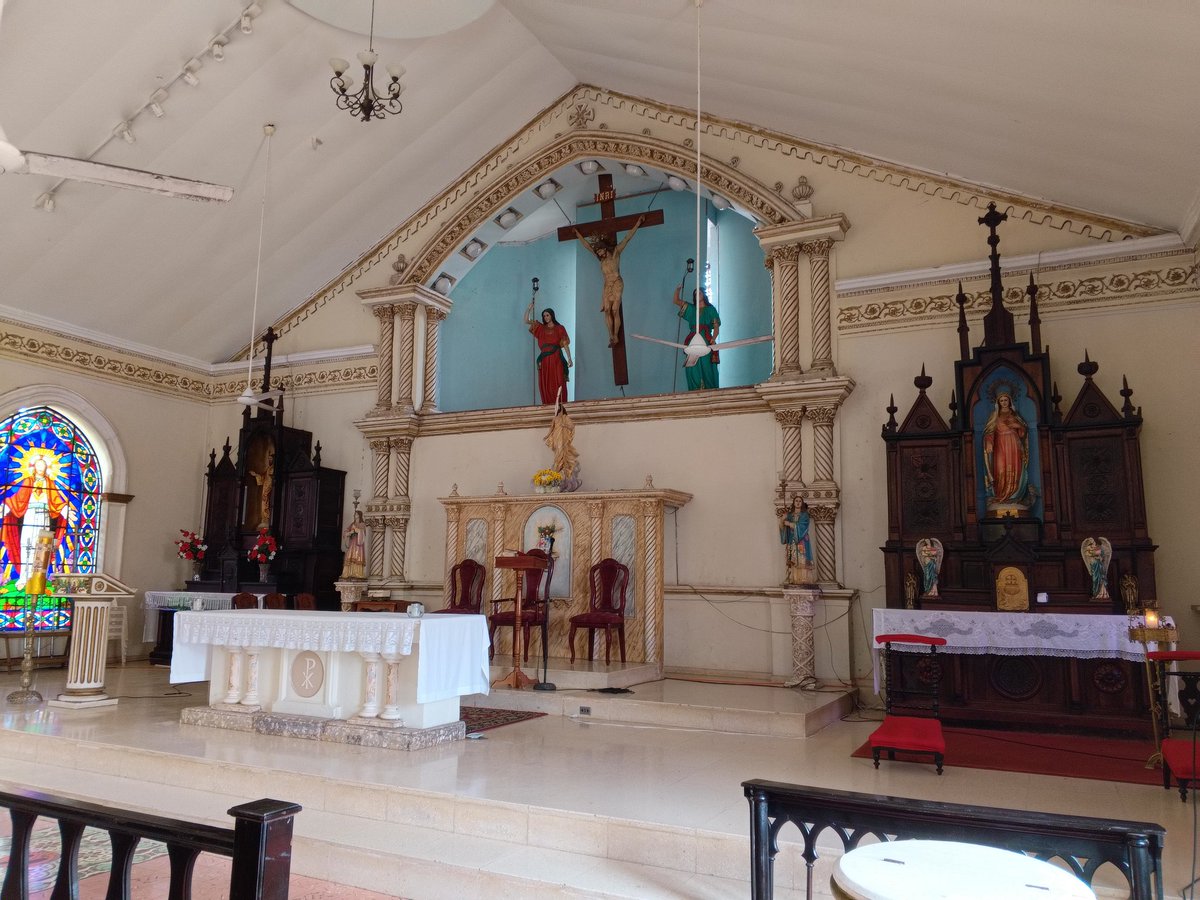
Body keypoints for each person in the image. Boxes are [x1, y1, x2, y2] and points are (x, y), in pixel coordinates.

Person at [1, 455, 72, 589]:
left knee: (43, 546)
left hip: (44, 516)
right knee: (26, 545)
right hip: (30, 515)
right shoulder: (28, 481)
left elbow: (56, 500)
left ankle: (38, 580)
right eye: (38, 465)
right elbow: (19, 498)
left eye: (43, 465)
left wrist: (65, 510)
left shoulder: (49, 483)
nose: (40, 467)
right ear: (34, 467)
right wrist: (7, 507)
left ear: (47, 467)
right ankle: (24, 578)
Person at [575, 216, 644, 346]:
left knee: (614, 310)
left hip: (617, 283)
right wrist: (578, 234)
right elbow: (587, 246)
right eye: (597, 252)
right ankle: (611, 336)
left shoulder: (616, 253)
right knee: (607, 310)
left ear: (604, 248)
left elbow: (627, 238)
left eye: (600, 250)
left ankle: (616, 335)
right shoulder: (601, 259)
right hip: (607, 285)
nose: (599, 253)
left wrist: (638, 223)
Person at [982, 391, 1030, 506]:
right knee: (1000, 468)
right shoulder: (995, 415)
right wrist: (989, 443)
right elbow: (989, 432)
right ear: (998, 402)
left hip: (1014, 444)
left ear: (1009, 401)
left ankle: (1014, 495)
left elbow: (1023, 433)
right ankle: (1000, 495)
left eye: (1006, 400)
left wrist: (1018, 426)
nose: (1004, 402)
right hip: (1000, 445)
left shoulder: (1015, 415)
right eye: (1001, 400)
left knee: (1015, 467)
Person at [673, 285, 721, 390]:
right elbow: (676, 301)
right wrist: (678, 289)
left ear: (704, 295)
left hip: (706, 339)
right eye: (695, 294)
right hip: (693, 339)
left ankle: (709, 388)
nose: (697, 295)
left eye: (699, 293)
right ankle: (695, 389)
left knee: (706, 364)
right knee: (692, 365)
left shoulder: (710, 309)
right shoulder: (691, 309)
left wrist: (713, 338)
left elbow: (716, 327)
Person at [525, 305, 572, 406]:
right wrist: (529, 309)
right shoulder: (541, 328)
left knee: (559, 380)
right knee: (547, 383)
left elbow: (565, 344)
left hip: (556, 358)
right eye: (544, 316)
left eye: (547, 315)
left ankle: (561, 405)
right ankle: (548, 405)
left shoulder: (559, 328)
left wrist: (569, 358)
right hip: (544, 360)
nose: (546, 317)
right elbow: (526, 321)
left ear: (552, 315)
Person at [544, 393, 579, 484]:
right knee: (557, 454)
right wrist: (547, 436)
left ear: (560, 409)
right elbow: (551, 429)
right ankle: (557, 471)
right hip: (556, 437)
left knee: (562, 452)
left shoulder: (565, 417)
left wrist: (564, 425)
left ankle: (563, 471)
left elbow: (571, 426)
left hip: (563, 438)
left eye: (557, 409)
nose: (556, 410)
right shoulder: (555, 419)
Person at [778, 497, 812, 580]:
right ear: (793, 502)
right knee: (793, 559)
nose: (798, 502)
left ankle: (803, 579)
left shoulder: (804, 515)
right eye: (796, 501)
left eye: (800, 501)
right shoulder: (789, 515)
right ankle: (793, 578)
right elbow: (782, 528)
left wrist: (789, 524)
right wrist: (782, 519)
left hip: (801, 541)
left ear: (802, 503)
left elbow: (803, 526)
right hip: (792, 540)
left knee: (801, 559)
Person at [341, 510, 367, 580]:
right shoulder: (352, 524)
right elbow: (346, 531)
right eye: (355, 514)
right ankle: (348, 573)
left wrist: (356, 530)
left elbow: (363, 533)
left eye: (356, 514)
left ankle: (357, 573)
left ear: (359, 515)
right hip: (352, 542)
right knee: (349, 555)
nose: (355, 516)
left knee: (357, 556)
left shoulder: (362, 524)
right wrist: (349, 533)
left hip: (358, 544)